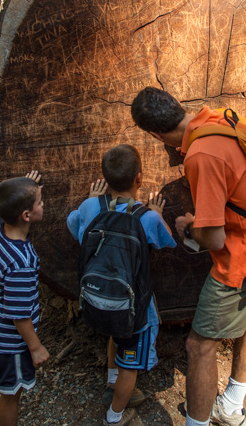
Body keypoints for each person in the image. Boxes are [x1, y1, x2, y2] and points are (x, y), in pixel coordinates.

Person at [131, 87, 246, 426]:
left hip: (239, 259)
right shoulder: (216, 119)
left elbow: (214, 238)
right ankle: (231, 406)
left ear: (156, 134)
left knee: (198, 347)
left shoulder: (201, 154)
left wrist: (189, 227)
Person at [67, 144, 176, 426]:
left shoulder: (92, 206)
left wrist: (89, 203)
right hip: (135, 308)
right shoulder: (147, 218)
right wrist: (158, 214)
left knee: (115, 333)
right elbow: (166, 241)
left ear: (104, 177)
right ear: (139, 178)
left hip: (98, 298)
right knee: (132, 365)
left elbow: (75, 227)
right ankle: (115, 416)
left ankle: (110, 383)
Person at [0, 171, 49, 426]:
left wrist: (26, 188)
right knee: (10, 397)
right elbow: (19, 314)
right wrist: (35, 347)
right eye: (39, 201)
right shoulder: (22, 263)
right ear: (26, 215)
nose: (43, 204)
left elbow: (7, 204)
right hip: (11, 343)